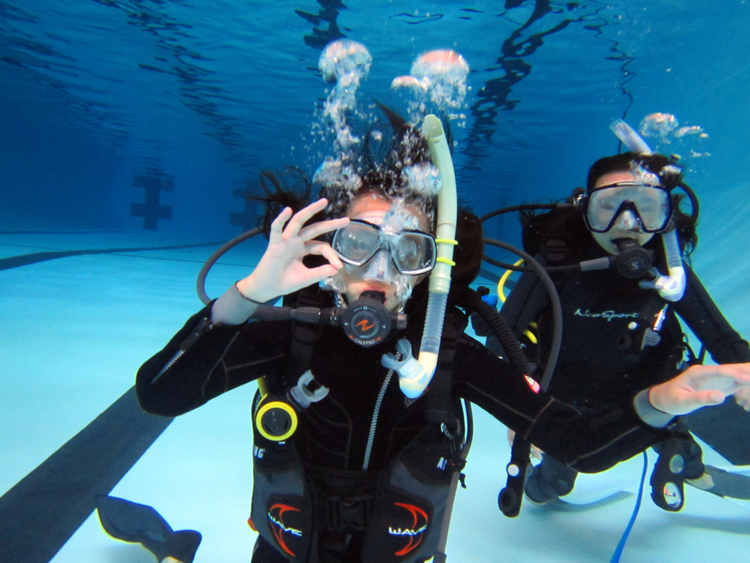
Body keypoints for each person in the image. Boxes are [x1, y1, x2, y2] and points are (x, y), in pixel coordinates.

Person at [136, 111, 750, 563]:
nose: (379, 271)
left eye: (406, 251)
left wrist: (667, 398)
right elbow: (160, 394)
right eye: (358, 243)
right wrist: (249, 293)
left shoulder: (449, 356)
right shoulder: (290, 336)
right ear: (328, 253)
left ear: (431, 268)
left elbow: (577, 446)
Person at [494, 149, 750, 507]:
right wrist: (522, 409)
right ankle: (680, 453)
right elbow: (500, 338)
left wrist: (745, 376)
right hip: (565, 401)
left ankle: (682, 455)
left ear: (665, 215)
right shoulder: (556, 264)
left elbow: (723, 339)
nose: (627, 222)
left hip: (651, 397)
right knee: (550, 485)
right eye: (609, 206)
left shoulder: (669, 271)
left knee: (668, 420)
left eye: (646, 207)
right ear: (586, 210)